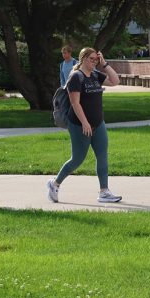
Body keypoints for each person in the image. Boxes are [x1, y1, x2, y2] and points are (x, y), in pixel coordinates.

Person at [46, 47, 122, 204]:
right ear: (83, 59)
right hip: (79, 125)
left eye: (96, 59)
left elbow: (115, 81)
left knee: (102, 156)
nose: (94, 62)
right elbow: (75, 103)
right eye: (91, 59)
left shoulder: (95, 75)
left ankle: (104, 192)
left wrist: (105, 63)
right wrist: (85, 123)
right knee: (78, 159)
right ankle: (54, 184)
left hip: (98, 123)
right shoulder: (76, 77)